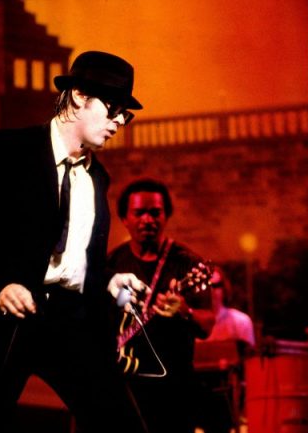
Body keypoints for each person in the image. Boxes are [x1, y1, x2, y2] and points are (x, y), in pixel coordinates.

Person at [0, 51, 149, 433]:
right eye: (114, 107)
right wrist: (0, 284)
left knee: (122, 424)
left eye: (127, 113)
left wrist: (107, 280)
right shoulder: (7, 150)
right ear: (78, 97)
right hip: (8, 318)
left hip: (71, 322)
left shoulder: (96, 177)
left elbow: (73, 256)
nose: (120, 120)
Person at [107, 178, 215, 433]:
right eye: (139, 213)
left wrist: (185, 311)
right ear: (124, 218)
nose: (148, 219)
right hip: (126, 386)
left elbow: (208, 325)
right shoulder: (113, 264)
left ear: (166, 216)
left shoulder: (188, 263)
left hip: (174, 388)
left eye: (155, 212)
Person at [195, 266, 255, 433]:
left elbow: (249, 371)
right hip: (196, 399)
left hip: (232, 400)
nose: (212, 291)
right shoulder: (189, 324)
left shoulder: (241, 322)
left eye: (216, 286)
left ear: (225, 288)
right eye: (207, 286)